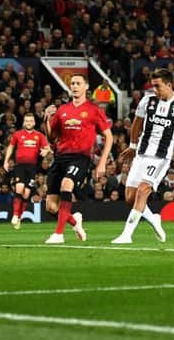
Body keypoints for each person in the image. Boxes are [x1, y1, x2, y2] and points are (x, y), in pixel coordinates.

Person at [111, 69, 174, 243]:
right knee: (130, 198)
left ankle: (126, 234)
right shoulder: (148, 100)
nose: (154, 90)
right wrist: (132, 145)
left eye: (157, 86)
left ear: (169, 85)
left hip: (160, 158)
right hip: (142, 155)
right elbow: (137, 122)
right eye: (152, 86)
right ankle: (154, 219)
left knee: (143, 190)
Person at [43, 73, 113, 244]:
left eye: (78, 83)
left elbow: (109, 137)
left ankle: (58, 234)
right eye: (72, 83)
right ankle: (74, 221)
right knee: (51, 207)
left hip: (80, 157)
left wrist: (102, 162)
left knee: (66, 184)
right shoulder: (62, 110)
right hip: (60, 157)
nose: (74, 86)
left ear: (86, 87)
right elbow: (52, 137)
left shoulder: (94, 110)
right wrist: (47, 118)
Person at [3, 113, 51, 229]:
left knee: (26, 194)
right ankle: (15, 215)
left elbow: (47, 148)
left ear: (34, 123)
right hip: (20, 166)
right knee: (19, 188)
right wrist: (6, 161)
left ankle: (19, 217)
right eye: (26, 121)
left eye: (31, 121)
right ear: (24, 122)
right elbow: (11, 147)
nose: (28, 123)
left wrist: (46, 151)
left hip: (33, 167)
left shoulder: (39, 136)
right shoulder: (18, 134)